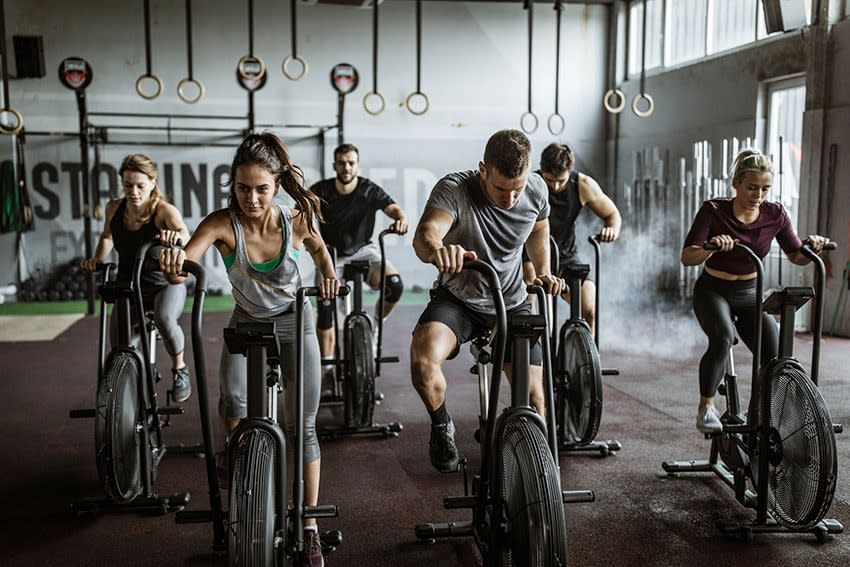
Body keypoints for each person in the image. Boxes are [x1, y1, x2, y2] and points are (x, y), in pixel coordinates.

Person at [159, 132, 339, 567]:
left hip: (296, 322)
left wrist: (329, 274)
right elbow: (189, 258)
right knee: (232, 403)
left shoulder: (297, 218)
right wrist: (175, 267)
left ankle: (309, 527)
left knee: (305, 426)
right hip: (246, 320)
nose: (252, 198)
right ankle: (236, 454)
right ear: (232, 186)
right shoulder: (222, 223)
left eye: (261, 188)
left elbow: (318, 248)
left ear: (276, 186)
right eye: (243, 188)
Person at [410, 129, 565, 473]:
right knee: (423, 361)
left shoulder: (537, 189)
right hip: (459, 300)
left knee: (536, 400)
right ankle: (441, 425)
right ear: (483, 170)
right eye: (501, 189)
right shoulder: (455, 189)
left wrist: (542, 271)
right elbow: (425, 235)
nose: (510, 199)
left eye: (518, 189)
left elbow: (540, 229)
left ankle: (528, 476)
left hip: (510, 303)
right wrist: (438, 249)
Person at [681, 149, 829, 434]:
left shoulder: (775, 215)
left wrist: (813, 248)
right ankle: (706, 407)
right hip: (714, 291)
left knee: (774, 357)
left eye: (765, 188)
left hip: (751, 292)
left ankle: (757, 415)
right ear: (736, 184)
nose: (758, 194)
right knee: (723, 339)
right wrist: (711, 246)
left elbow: (796, 255)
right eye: (752, 187)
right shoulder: (713, 210)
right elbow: (687, 256)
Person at [81, 154, 192, 403]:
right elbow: (107, 236)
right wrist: (98, 259)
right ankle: (127, 387)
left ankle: (180, 369)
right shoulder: (114, 208)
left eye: (140, 185)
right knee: (118, 346)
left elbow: (185, 235)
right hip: (128, 286)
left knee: (164, 318)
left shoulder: (163, 211)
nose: (133, 191)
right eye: (128, 185)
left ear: (152, 183)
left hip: (164, 285)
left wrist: (173, 238)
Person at [309, 143, 409, 386]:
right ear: (335, 166)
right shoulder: (320, 190)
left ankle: (374, 326)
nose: (346, 167)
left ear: (357, 165)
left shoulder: (368, 189)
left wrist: (401, 218)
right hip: (332, 256)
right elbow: (299, 211)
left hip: (364, 251)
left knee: (394, 285)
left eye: (351, 162)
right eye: (342, 163)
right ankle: (328, 368)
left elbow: (393, 208)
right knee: (326, 310)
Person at [521, 143, 621, 333]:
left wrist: (611, 229)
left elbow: (612, 214)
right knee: (530, 303)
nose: (555, 186)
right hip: (530, 256)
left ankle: (583, 358)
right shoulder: (529, 185)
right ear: (541, 170)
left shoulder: (582, 185)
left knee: (589, 310)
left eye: (561, 181)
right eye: (549, 180)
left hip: (565, 256)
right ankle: (536, 353)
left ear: (570, 172)